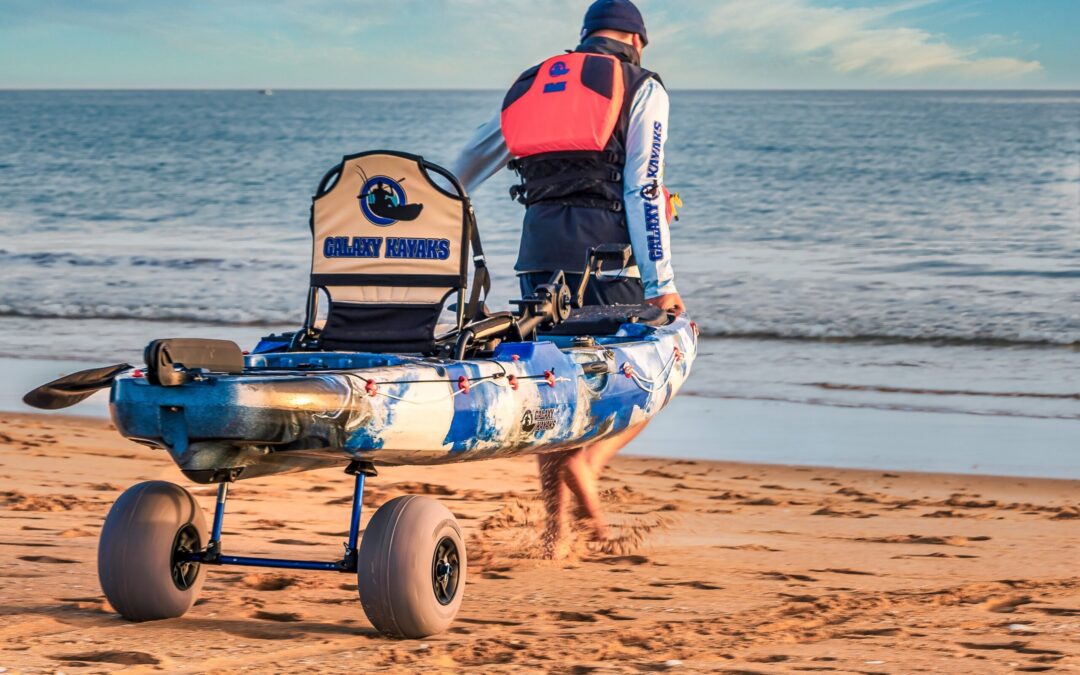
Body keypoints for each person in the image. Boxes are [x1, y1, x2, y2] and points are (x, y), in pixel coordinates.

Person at [450, 0, 684, 557]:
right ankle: (589, 462)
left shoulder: (536, 86)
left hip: (538, 258)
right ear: (638, 41)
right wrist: (661, 282)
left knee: (555, 382)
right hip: (608, 260)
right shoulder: (641, 86)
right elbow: (643, 188)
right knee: (663, 362)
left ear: (583, 39)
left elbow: (459, 172)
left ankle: (557, 536)